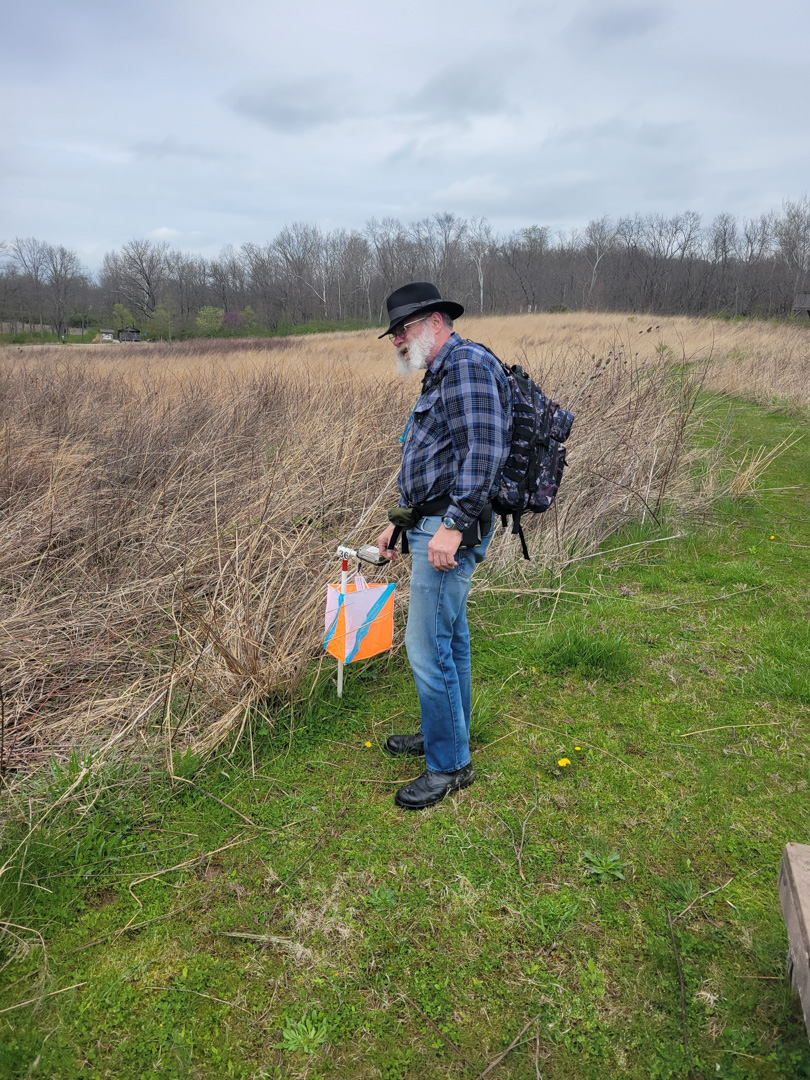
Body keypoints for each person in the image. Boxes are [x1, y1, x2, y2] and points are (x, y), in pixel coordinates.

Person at [375, 282, 512, 810]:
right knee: (449, 641)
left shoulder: (467, 365)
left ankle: (450, 765)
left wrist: (453, 525)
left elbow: (485, 450)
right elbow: (437, 460)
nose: (396, 339)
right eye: (393, 332)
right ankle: (446, 735)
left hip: (450, 528)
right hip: (431, 523)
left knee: (427, 647)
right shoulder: (442, 370)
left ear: (435, 321)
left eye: (403, 328)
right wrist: (401, 523)